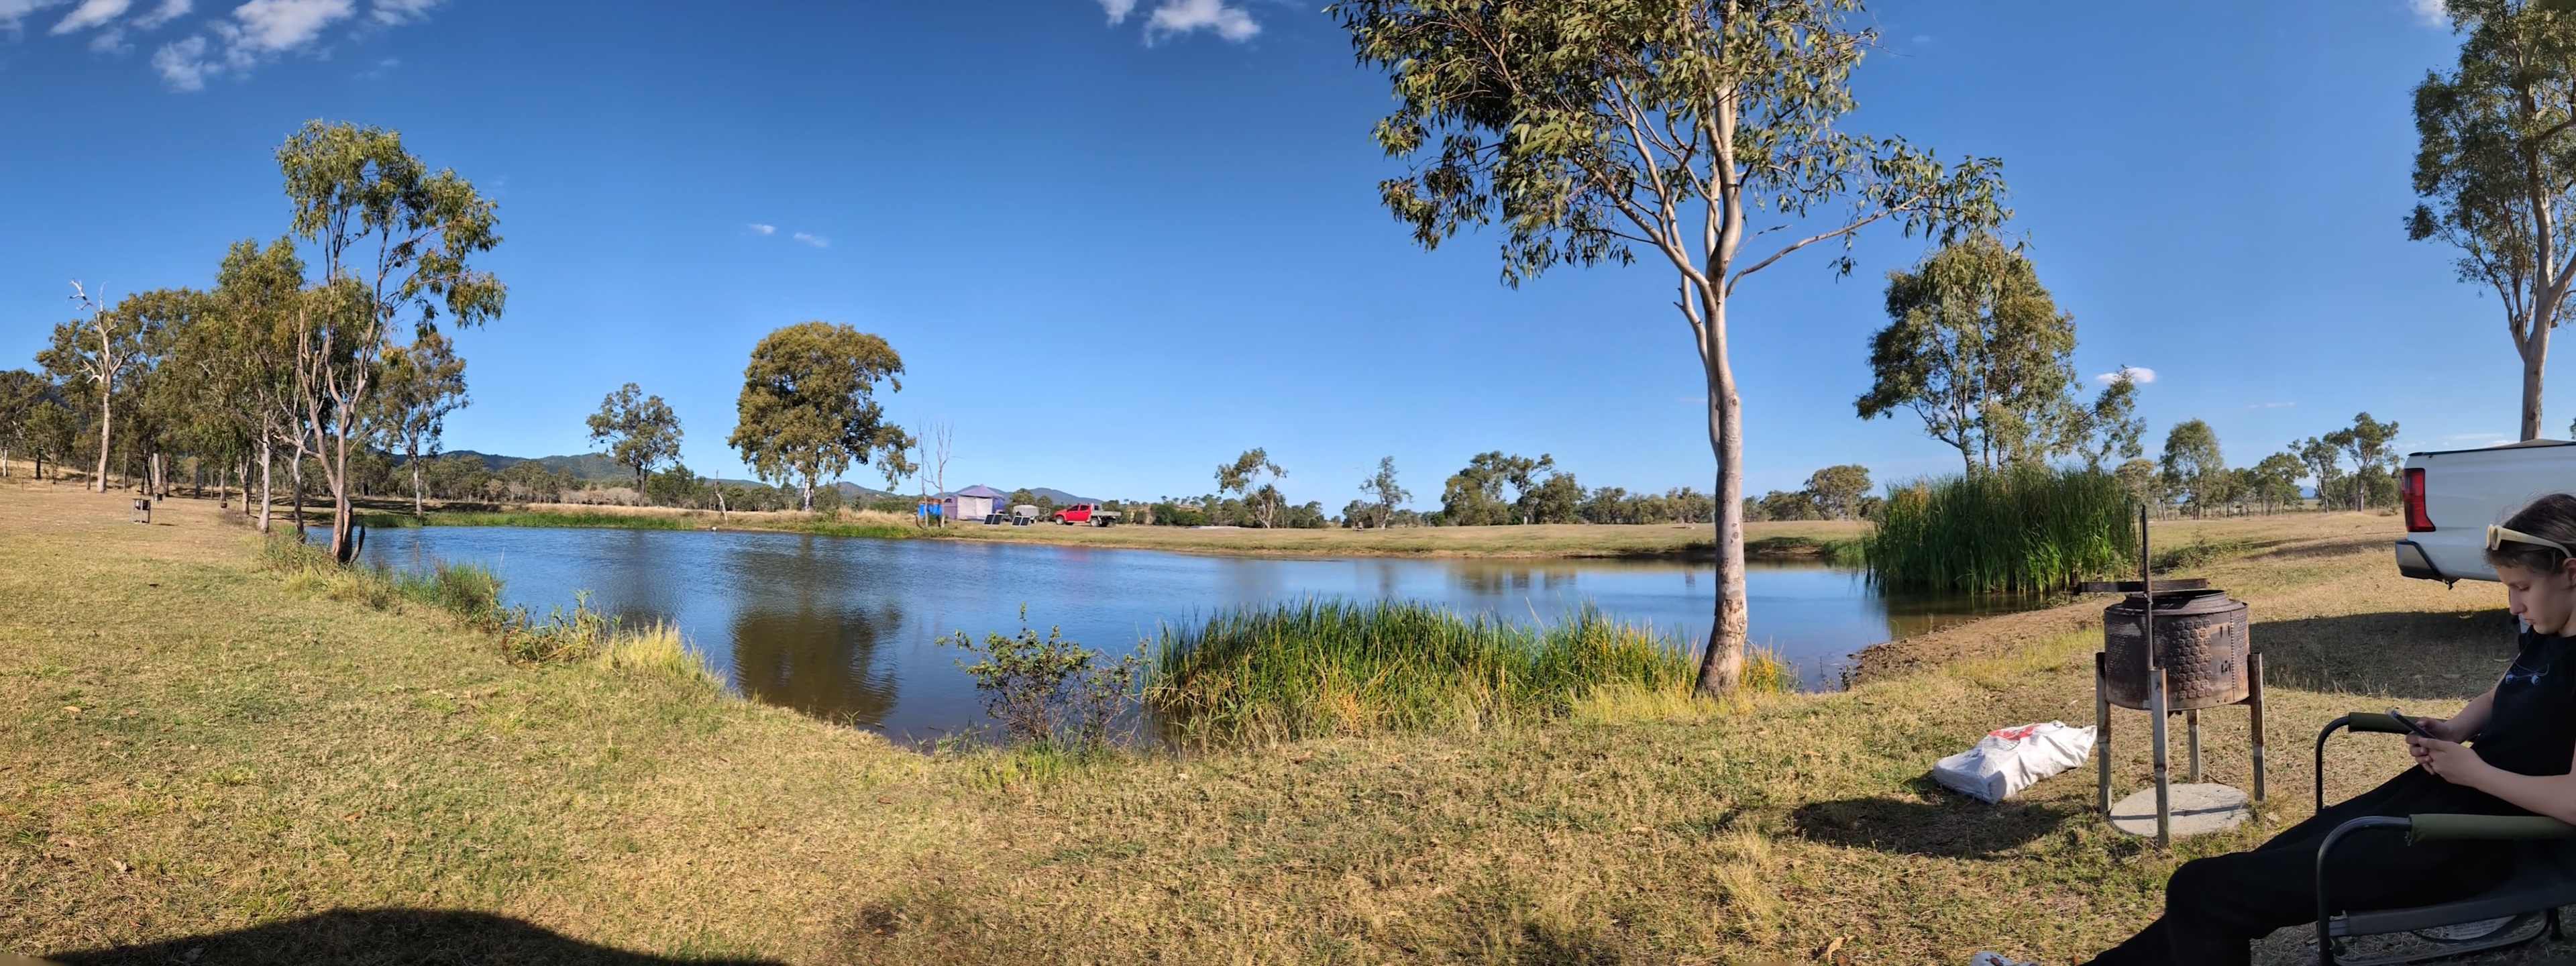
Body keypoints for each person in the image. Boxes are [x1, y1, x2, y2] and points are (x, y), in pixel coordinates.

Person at [1973, 493, 2576, 966]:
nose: (2514, 607)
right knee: (2248, 872)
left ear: (2570, 572)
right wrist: (2454, 727)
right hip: (2445, 801)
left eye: (2521, 589)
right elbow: (2510, 690)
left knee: (2203, 888)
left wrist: (2475, 770)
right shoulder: (2550, 634)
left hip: (2482, 839)